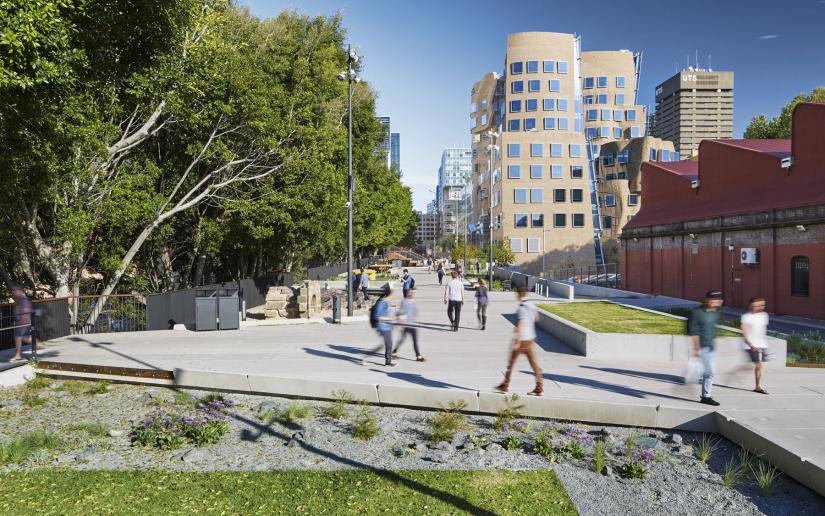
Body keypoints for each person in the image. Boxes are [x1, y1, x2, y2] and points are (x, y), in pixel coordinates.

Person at [495, 286, 543, 396]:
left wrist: (517, 339)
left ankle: (505, 385)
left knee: (511, 363)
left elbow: (521, 323)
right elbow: (537, 318)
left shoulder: (521, 307)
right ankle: (539, 387)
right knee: (534, 364)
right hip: (530, 339)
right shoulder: (531, 305)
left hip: (522, 340)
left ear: (520, 294)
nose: (516, 296)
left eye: (517, 294)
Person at [688, 290, 724, 406]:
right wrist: (696, 348)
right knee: (709, 372)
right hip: (702, 347)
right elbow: (693, 331)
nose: (716, 301)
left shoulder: (716, 313)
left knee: (708, 372)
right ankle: (706, 397)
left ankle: (705, 394)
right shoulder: (697, 313)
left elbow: (713, 328)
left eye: (718, 299)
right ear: (707, 300)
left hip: (710, 347)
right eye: (713, 299)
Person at [742, 296, 769, 394]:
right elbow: (744, 332)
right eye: (757, 305)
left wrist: (764, 342)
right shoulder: (746, 317)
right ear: (750, 305)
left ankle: (757, 385)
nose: (760, 307)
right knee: (759, 365)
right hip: (751, 345)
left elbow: (763, 329)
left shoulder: (764, 315)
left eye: (762, 305)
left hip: (762, 344)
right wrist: (750, 344)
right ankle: (758, 386)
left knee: (760, 366)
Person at [393, 287, 425, 362]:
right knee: (401, 340)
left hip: (412, 325)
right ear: (408, 293)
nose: (413, 294)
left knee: (414, 341)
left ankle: (418, 356)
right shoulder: (404, 301)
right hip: (405, 325)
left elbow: (415, 313)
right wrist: (400, 324)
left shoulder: (414, 301)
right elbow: (399, 313)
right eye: (412, 292)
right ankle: (394, 352)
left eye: (414, 293)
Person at [370, 286, 396, 367]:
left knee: (389, 344)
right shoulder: (381, 302)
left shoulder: (384, 302)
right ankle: (388, 361)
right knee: (389, 344)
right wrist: (389, 318)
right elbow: (377, 316)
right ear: (386, 295)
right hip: (382, 326)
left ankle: (388, 360)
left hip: (387, 326)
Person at [11, 285, 33, 362]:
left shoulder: (23, 299)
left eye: (15, 290)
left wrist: (22, 322)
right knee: (25, 337)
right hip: (22, 322)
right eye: (13, 290)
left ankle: (18, 355)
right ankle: (39, 344)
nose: (13, 292)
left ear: (20, 291)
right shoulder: (19, 299)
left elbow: (25, 310)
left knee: (18, 337)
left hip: (23, 322)